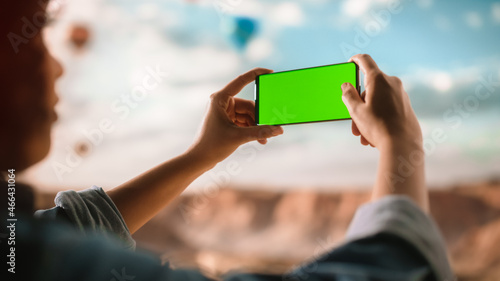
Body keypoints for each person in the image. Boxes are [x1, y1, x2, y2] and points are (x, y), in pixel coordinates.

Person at [1, 1, 455, 281]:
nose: (58, 67)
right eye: (38, 30)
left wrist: (202, 155)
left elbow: (69, 229)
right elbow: (384, 274)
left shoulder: (18, 247)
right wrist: (402, 144)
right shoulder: (36, 260)